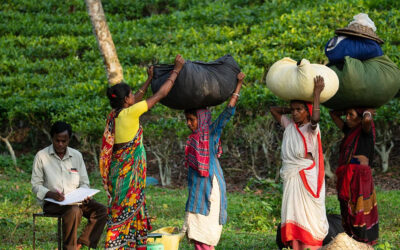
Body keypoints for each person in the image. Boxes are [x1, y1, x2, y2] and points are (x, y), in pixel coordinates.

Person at [99, 54, 185, 249]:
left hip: (119, 174)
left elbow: (138, 97)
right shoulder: (131, 113)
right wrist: (176, 71)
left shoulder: (116, 115)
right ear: (127, 100)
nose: (134, 96)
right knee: (123, 212)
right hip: (128, 177)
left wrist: (148, 79)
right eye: (130, 95)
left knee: (122, 209)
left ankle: (128, 245)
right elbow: (160, 95)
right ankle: (114, 245)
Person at [181, 72, 245, 250]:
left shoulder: (211, 133)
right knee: (196, 232)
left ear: (201, 119)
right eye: (187, 119)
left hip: (210, 190)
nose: (189, 123)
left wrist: (238, 84)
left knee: (205, 233)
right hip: (196, 192)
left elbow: (227, 112)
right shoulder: (192, 140)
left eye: (192, 119)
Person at [269, 76, 329, 249]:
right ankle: (295, 246)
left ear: (307, 111)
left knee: (307, 213)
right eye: (293, 110)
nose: (294, 113)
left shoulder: (311, 128)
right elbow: (273, 110)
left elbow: (316, 118)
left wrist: (316, 94)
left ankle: (309, 246)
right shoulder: (290, 126)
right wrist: (291, 108)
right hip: (292, 177)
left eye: (299, 110)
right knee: (293, 213)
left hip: (305, 177)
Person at [31, 121, 107, 250]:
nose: (60, 144)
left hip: (76, 200)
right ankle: (69, 247)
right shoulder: (41, 156)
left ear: (69, 140)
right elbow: (35, 185)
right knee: (74, 211)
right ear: (52, 138)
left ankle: (80, 243)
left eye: (64, 141)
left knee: (102, 210)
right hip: (53, 203)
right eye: (57, 140)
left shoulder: (76, 155)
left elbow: (84, 182)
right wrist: (50, 194)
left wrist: (85, 194)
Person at [329, 108, 378, 245]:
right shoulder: (349, 130)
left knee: (359, 208)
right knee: (347, 206)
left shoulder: (365, 131)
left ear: (360, 117)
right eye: (347, 115)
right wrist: (346, 108)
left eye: (351, 115)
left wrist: (367, 112)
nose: (347, 118)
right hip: (347, 175)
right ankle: (351, 238)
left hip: (359, 176)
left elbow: (367, 120)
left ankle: (362, 240)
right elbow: (332, 113)